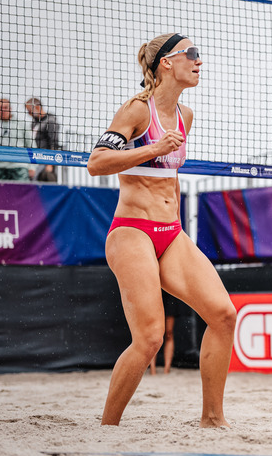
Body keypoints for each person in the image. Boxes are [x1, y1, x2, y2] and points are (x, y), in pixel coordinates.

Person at [86, 32, 236, 427]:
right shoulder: (137, 110)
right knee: (150, 337)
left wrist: (179, 228)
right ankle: (108, 428)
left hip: (170, 232)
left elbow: (169, 180)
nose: (199, 61)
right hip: (131, 230)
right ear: (167, 63)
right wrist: (152, 148)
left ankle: (212, 420)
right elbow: (97, 162)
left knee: (223, 314)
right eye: (192, 54)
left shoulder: (185, 117)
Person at [0, 98, 35, 181]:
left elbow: (31, 146)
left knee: (22, 193)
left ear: (10, 108)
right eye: (0, 108)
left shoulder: (22, 125)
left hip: (19, 166)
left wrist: (32, 167)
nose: (3, 110)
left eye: (5, 107)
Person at [25, 98, 61, 182]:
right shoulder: (34, 123)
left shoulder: (51, 121)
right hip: (35, 159)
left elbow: (53, 143)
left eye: (29, 111)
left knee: (46, 184)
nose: (29, 114)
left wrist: (50, 164)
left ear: (37, 107)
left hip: (46, 159)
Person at [149, 291, 182, 375]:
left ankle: (167, 369)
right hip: (153, 291)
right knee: (154, 334)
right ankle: (152, 369)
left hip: (170, 293)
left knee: (169, 333)